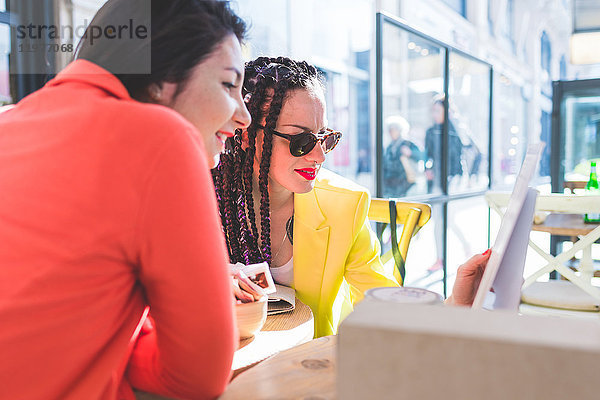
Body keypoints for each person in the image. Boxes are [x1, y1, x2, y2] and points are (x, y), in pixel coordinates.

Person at [0, 1, 250, 399]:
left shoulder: (8, 122)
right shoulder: (162, 138)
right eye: (227, 85)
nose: (244, 116)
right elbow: (197, 377)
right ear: (163, 80)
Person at [213, 57, 491, 338]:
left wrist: (456, 304)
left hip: (304, 365)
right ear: (246, 135)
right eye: (302, 141)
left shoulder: (344, 205)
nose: (319, 156)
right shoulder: (202, 199)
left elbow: (384, 304)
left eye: (325, 138)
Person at [382, 115, 423, 197]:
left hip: (405, 184)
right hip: (390, 185)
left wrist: (410, 153)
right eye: (390, 130)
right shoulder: (389, 147)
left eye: (394, 130)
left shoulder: (408, 144)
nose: (391, 132)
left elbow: (421, 156)